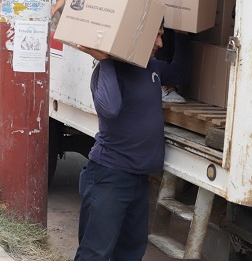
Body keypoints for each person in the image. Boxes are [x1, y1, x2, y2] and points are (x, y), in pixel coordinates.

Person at [74, 24, 190, 261]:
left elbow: (179, 73)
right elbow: (110, 108)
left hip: (139, 179)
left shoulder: (152, 67)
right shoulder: (109, 70)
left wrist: (183, 36)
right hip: (110, 175)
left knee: (131, 252)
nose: (160, 44)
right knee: (95, 253)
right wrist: (105, 61)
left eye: (162, 36)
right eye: (155, 36)